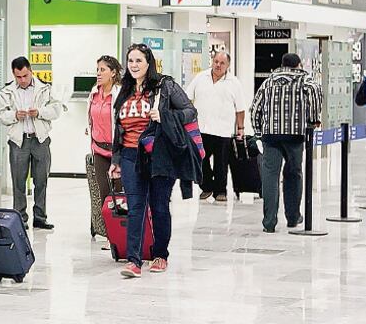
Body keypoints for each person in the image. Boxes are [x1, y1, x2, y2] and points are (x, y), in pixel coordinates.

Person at [110, 44, 199, 278]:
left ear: (149, 63)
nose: (134, 65)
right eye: (130, 61)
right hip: (130, 156)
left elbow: (190, 111)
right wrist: (116, 158)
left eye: (139, 61)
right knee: (135, 207)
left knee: (159, 206)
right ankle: (134, 261)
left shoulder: (164, 86)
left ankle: (160, 255)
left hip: (159, 154)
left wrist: (166, 115)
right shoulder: (124, 91)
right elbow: (118, 128)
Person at [250, 53, 323, 233]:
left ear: (282, 64)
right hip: (294, 135)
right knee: (293, 173)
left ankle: (269, 222)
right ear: (298, 65)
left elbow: (255, 108)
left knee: (270, 176)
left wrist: (258, 131)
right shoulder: (304, 79)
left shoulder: (268, 82)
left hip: (270, 136)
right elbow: (315, 94)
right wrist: (314, 119)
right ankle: (292, 217)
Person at [0, 57, 63, 230]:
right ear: (14, 74)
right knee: (18, 181)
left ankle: (40, 217)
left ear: (31, 71)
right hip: (18, 141)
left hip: (40, 139)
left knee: (41, 180)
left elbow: (56, 110)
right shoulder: (7, 91)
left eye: (25, 75)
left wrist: (40, 112)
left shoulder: (45, 88)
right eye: (18, 77)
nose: (23, 80)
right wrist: (14, 116)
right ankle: (20, 217)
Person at [185, 51, 247, 202]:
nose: (218, 65)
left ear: (228, 66)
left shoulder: (234, 82)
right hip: (201, 128)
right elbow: (187, 98)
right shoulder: (201, 77)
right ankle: (206, 186)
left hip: (222, 130)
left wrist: (241, 128)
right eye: (216, 61)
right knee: (200, 160)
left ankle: (220, 191)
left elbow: (240, 108)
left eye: (222, 63)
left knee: (221, 163)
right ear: (212, 61)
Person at [85, 55, 122, 247]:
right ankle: (110, 234)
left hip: (117, 151)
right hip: (99, 149)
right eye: (97, 69)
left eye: (103, 70)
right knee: (104, 192)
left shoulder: (120, 93)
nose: (99, 73)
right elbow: (91, 117)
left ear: (113, 73)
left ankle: (120, 234)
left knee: (118, 193)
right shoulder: (94, 92)